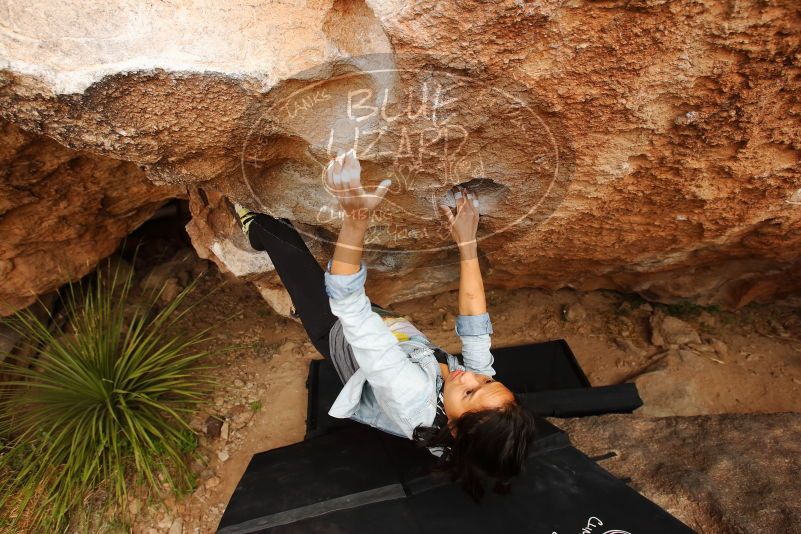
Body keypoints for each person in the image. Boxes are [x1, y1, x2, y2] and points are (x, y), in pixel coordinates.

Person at [234, 148, 538, 502]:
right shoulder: (470, 418)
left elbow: (348, 303)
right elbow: (474, 324)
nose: (471, 376)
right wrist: (467, 244)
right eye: (486, 380)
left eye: (470, 391)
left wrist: (356, 218)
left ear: (454, 430)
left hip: (337, 332)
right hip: (391, 329)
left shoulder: (409, 394)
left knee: (284, 242)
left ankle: (253, 225)